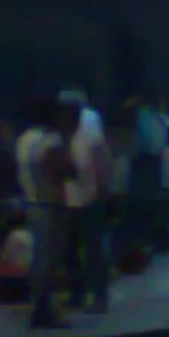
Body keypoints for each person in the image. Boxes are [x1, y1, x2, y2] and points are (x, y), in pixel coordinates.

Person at [15, 99, 76, 330]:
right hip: (50, 203)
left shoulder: (23, 139)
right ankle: (46, 311)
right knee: (50, 261)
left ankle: (38, 309)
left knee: (38, 259)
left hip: (30, 202)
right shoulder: (49, 140)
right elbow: (64, 169)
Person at [64, 98, 116, 314]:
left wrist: (101, 192)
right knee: (71, 252)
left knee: (94, 251)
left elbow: (105, 165)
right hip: (68, 202)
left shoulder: (92, 137)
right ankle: (77, 294)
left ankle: (99, 296)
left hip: (90, 200)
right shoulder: (61, 138)